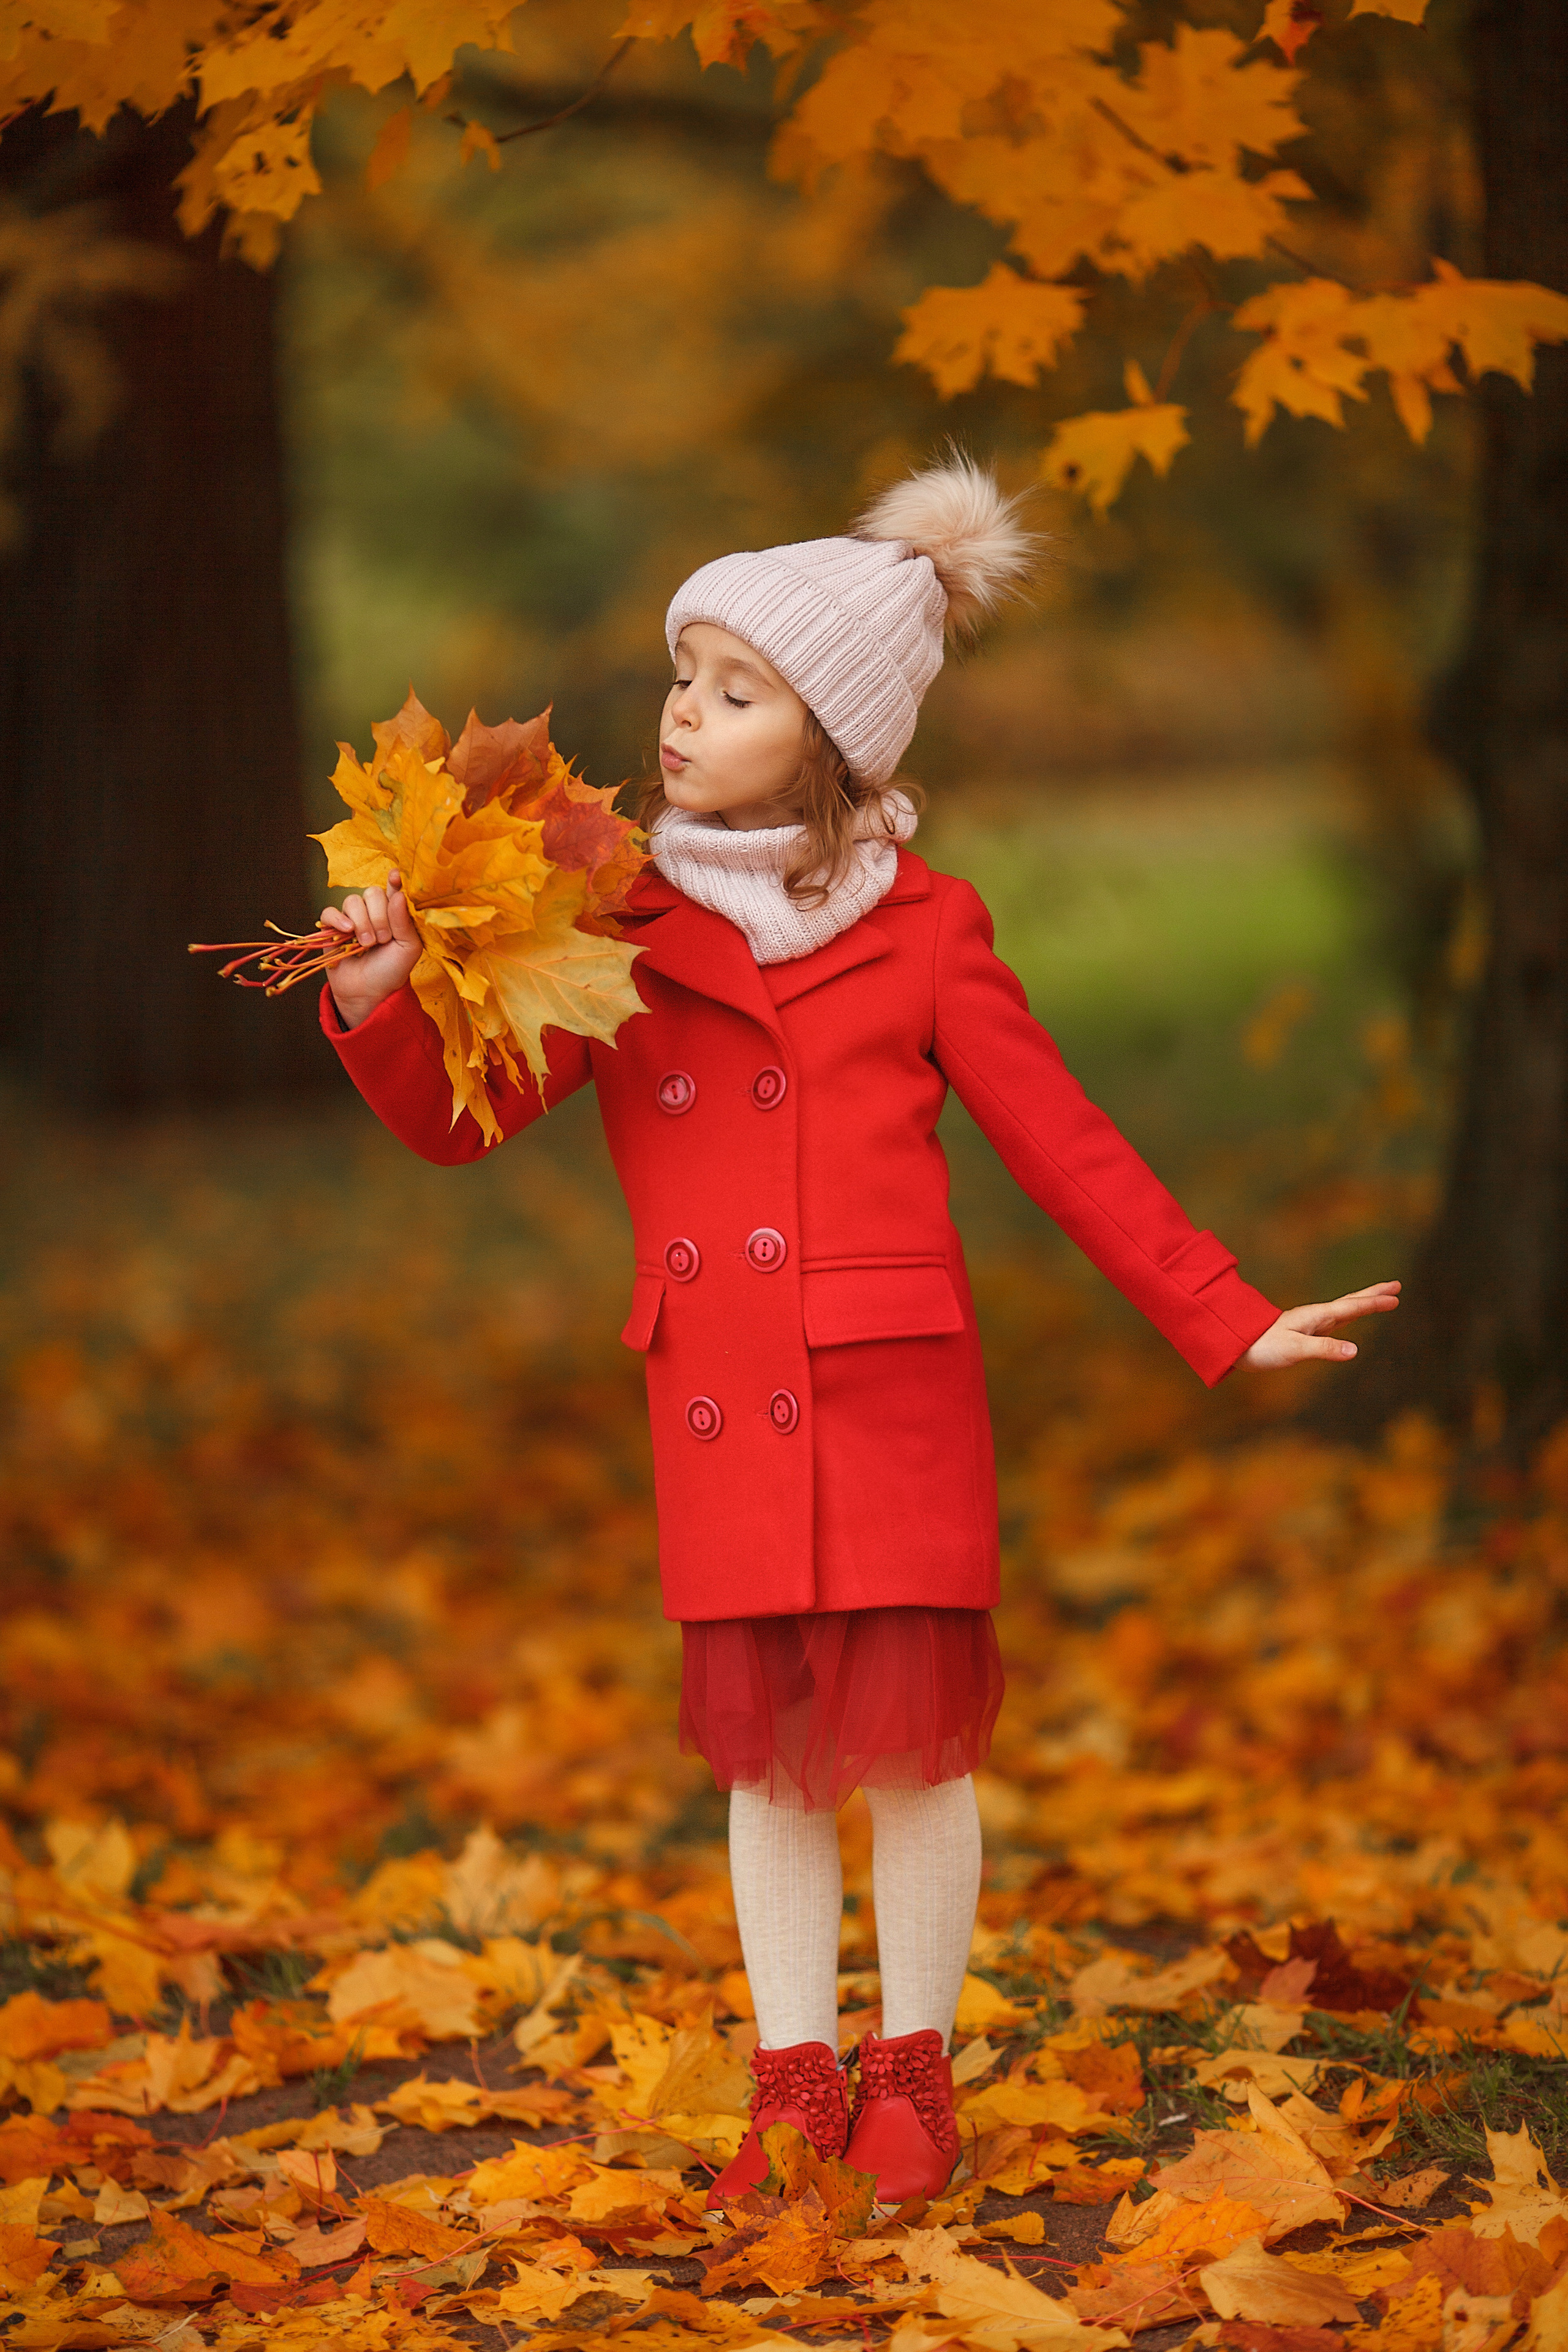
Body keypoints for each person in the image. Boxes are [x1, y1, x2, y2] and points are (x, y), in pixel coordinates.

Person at [316, 457, 1399, 2207]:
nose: (684, 712)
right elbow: (467, 1117)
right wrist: (378, 993)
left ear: (830, 739)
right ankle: (793, 2080)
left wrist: (1227, 1313)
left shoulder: (927, 928)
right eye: (684, 675)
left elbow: (1067, 1144)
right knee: (769, 1764)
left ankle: (913, 2070)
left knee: (910, 1757)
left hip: (891, 1393)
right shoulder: (613, 924)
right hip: (720, 1392)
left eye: (737, 690)